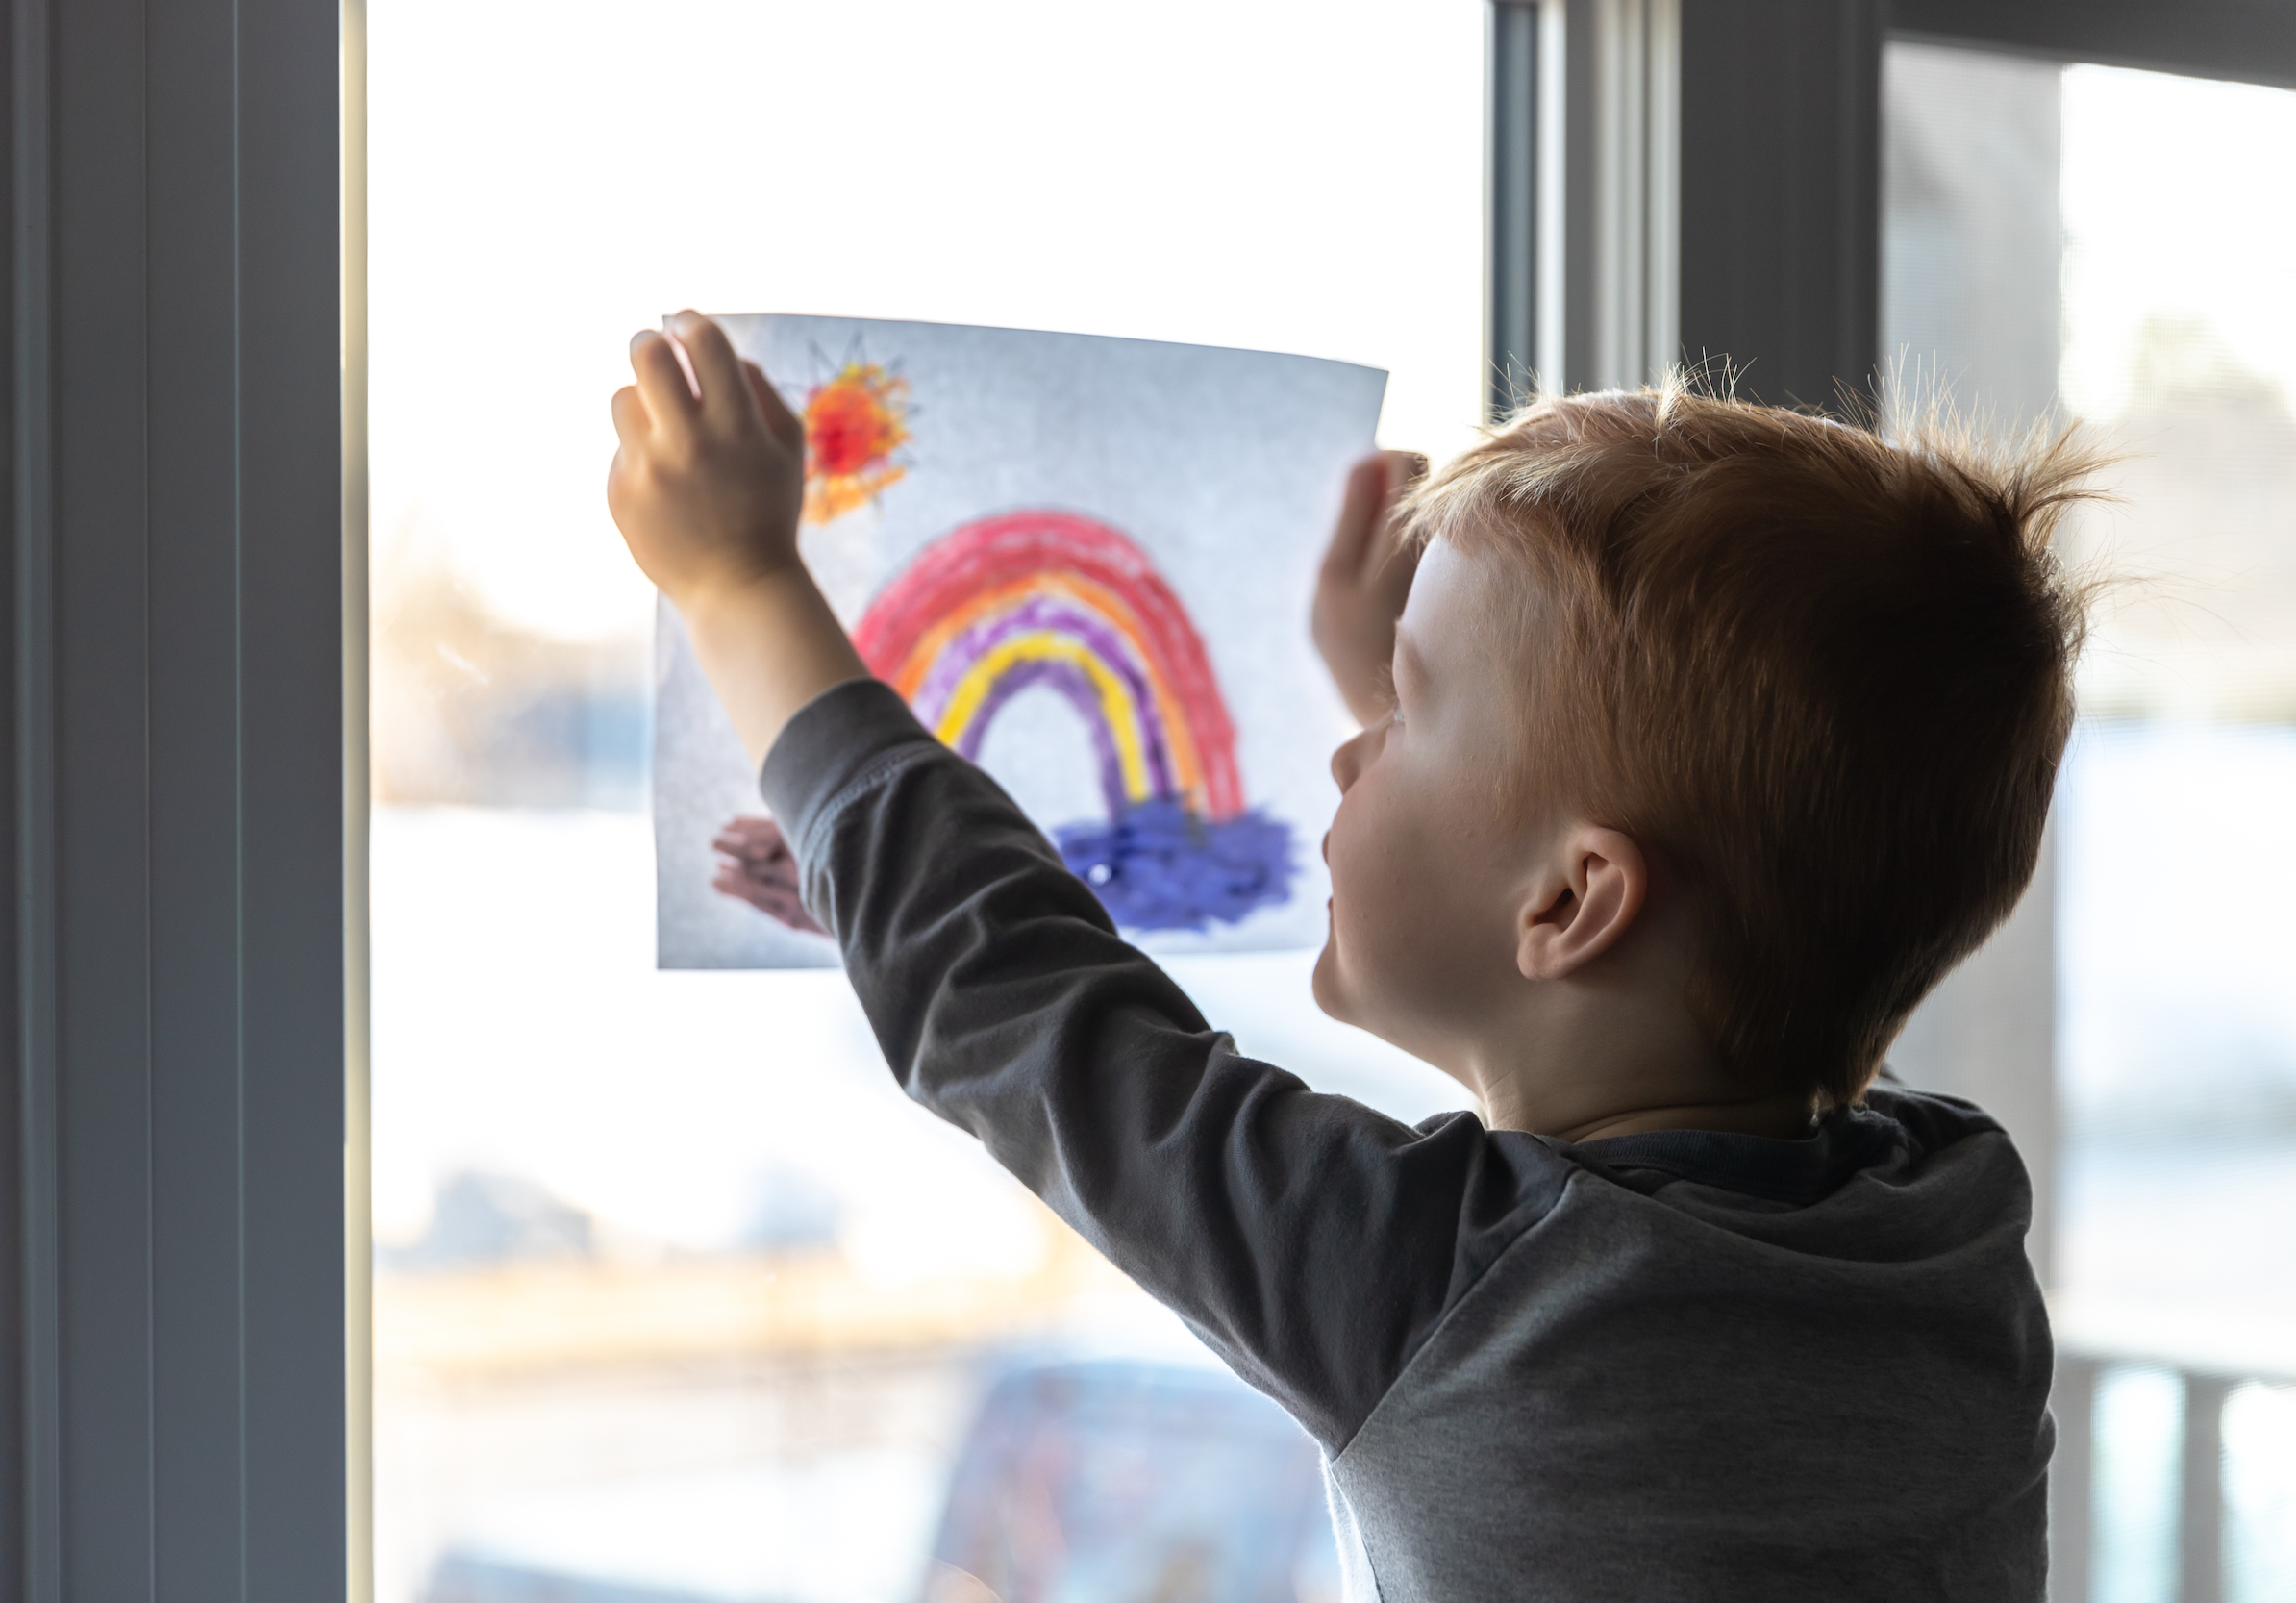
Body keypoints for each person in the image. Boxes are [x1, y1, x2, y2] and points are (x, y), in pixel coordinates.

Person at [607, 310, 2098, 1601]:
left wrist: (747, 587)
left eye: (1399, 712)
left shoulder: (1458, 1301)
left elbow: (1005, 994)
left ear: (1575, 903)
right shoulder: (1947, 1219)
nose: (1341, 751)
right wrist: (1456, 720)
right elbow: (1776, 945)